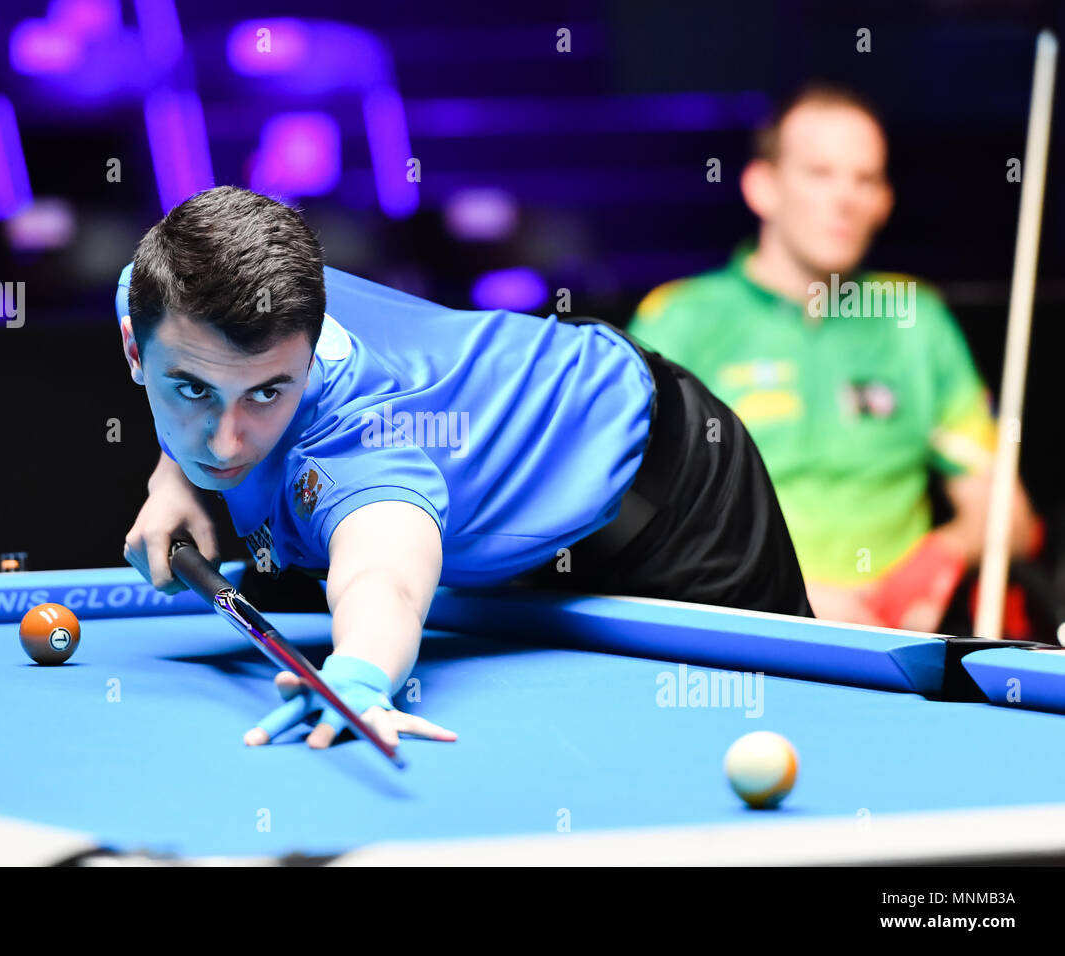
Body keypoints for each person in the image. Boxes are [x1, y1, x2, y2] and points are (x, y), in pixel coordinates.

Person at [116, 185, 811, 753]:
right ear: (135, 347)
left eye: (269, 392)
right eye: (193, 391)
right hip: (520, 526)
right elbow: (206, 365)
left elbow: (382, 574)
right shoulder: (169, 289)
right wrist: (172, 476)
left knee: (798, 712)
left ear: (306, 354)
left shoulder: (361, 445)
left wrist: (357, 676)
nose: (228, 442)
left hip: (678, 485)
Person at [628, 83, 1041, 633]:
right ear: (762, 187)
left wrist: (944, 554)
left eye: (865, 178)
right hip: (735, 636)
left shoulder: (914, 319)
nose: (844, 197)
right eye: (819, 173)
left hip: (897, 647)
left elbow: (1013, 521)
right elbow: (628, 519)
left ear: (884, 201)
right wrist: (782, 594)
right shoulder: (679, 320)